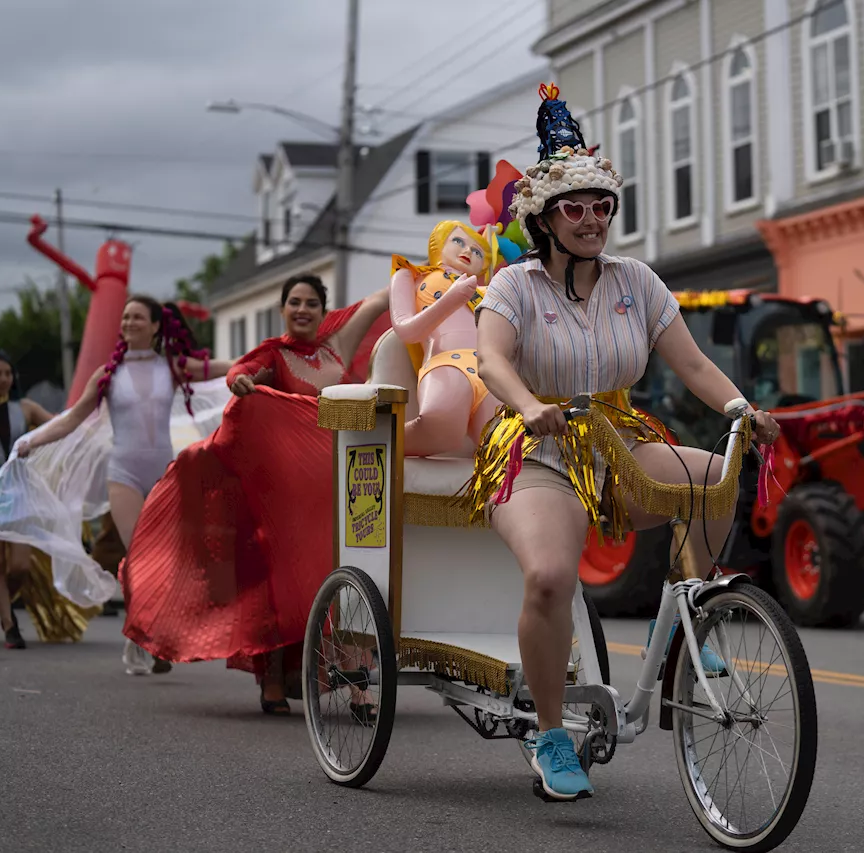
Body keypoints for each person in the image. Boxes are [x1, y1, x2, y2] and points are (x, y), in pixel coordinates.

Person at [461, 84, 780, 801]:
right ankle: (550, 735)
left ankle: (684, 627)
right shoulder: (514, 285)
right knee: (549, 577)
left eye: (601, 206)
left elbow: (692, 364)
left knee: (712, 478)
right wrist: (529, 405)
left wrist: (740, 408)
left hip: (617, 436)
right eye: (574, 207)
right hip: (535, 446)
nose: (592, 220)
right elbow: (492, 361)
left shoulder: (636, 281)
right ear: (544, 218)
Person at [122, 275, 389, 716]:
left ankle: (356, 683)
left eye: (311, 304)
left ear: (324, 311)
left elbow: (381, 300)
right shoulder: (273, 354)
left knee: (344, 582)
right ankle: (274, 680)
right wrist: (241, 383)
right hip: (283, 498)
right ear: (283, 309)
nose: (302, 310)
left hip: (336, 490)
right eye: (294, 303)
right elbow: (239, 372)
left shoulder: (337, 346)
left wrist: (434, 270)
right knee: (285, 586)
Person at [15, 296, 238, 671]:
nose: (129, 321)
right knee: (138, 557)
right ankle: (141, 640)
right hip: (124, 474)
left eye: (138, 317)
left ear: (155, 327)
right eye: (125, 316)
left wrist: (268, 360)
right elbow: (72, 419)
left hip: (164, 473)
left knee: (168, 559)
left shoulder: (173, 368)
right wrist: (31, 441)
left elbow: (224, 368)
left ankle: (148, 633)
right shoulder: (107, 374)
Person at [389, 220, 501, 456]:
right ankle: (378, 443)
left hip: (490, 371)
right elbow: (406, 330)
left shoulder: (488, 292)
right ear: (438, 243)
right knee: (440, 424)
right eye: (458, 241)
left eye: (478, 250)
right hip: (446, 362)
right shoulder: (410, 275)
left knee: (503, 445)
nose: (468, 251)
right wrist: (451, 299)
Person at [0, 351, 56, 648]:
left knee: (21, 565)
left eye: (8, 373)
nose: (4, 379)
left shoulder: (27, 408)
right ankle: (9, 625)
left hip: (19, 489)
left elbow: (60, 426)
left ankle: (2, 600)